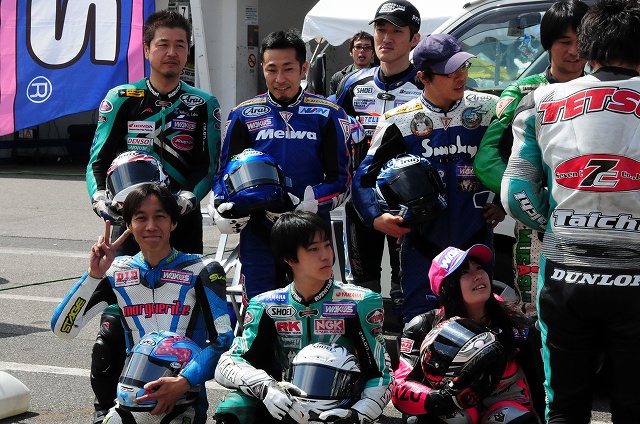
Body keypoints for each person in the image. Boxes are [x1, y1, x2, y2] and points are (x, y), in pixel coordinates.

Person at [501, 0, 640, 422]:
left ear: (588, 48)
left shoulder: (541, 100)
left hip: (564, 274)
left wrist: (561, 225)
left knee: (563, 404)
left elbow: (516, 193)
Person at [84, 10, 222, 422]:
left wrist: (188, 198)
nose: (172, 52)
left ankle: (189, 407)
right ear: (146, 49)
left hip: (181, 224)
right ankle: (107, 409)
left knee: (188, 330)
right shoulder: (122, 98)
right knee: (115, 327)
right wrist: (99, 199)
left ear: (188, 52)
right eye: (163, 44)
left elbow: (209, 166)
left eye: (180, 45)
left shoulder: (203, 103)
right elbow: (97, 161)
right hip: (131, 229)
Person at [473, 1, 589, 416]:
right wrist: (533, 207)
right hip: (538, 230)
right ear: (547, 44)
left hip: (596, 229)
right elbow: (487, 160)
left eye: (581, 41)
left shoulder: (604, 88)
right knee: (537, 322)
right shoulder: (523, 92)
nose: (574, 51)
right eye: (564, 42)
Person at [351, 33, 504, 325]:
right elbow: (363, 178)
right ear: (423, 77)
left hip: (475, 242)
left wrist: (502, 202)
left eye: (463, 67)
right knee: (420, 326)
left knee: (479, 326)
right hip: (422, 247)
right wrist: (376, 218)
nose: (461, 76)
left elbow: (517, 160)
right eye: (450, 71)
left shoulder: (488, 110)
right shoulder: (398, 120)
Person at [51, 183, 234, 424]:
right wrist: (93, 275)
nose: (150, 226)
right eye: (141, 218)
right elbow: (63, 329)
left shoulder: (203, 270)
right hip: (130, 401)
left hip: (184, 402)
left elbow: (223, 341)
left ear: (174, 222)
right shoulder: (116, 271)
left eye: (160, 217)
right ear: (128, 225)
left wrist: (183, 381)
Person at [209, 29, 350, 303]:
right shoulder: (242, 114)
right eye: (271, 69)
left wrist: (312, 201)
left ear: (303, 69)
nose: (280, 78)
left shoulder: (328, 114)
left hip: (309, 231)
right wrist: (220, 205)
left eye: (288, 69)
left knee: (312, 310)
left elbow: (342, 180)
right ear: (262, 69)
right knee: (261, 309)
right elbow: (223, 175)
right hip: (258, 231)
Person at [213, 211, 393, 424]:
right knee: (232, 407)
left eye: (327, 245)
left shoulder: (360, 302)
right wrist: (265, 387)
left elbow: (382, 374)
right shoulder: (266, 305)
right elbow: (228, 363)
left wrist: (358, 415)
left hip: (343, 408)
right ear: (289, 258)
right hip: (289, 404)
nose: (326, 255)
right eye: (313, 249)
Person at [332, 0, 423, 318]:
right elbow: (331, 129)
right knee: (362, 284)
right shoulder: (353, 83)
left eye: (396, 31)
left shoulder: (424, 84)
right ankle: (367, 342)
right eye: (381, 29)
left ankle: (408, 341)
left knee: (406, 283)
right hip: (361, 199)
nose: (386, 38)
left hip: (408, 201)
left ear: (414, 39)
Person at [392, 244, 537, 424]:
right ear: (447, 286)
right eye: (464, 272)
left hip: (506, 403)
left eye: (479, 267)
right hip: (454, 408)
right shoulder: (423, 326)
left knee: (510, 416)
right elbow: (400, 388)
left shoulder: (513, 320)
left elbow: (540, 380)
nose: (478, 275)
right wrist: (444, 398)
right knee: (448, 418)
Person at [329, 31, 375, 95]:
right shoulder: (339, 78)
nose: (362, 50)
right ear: (351, 52)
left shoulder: (380, 76)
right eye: (358, 47)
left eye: (367, 47)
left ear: (373, 53)